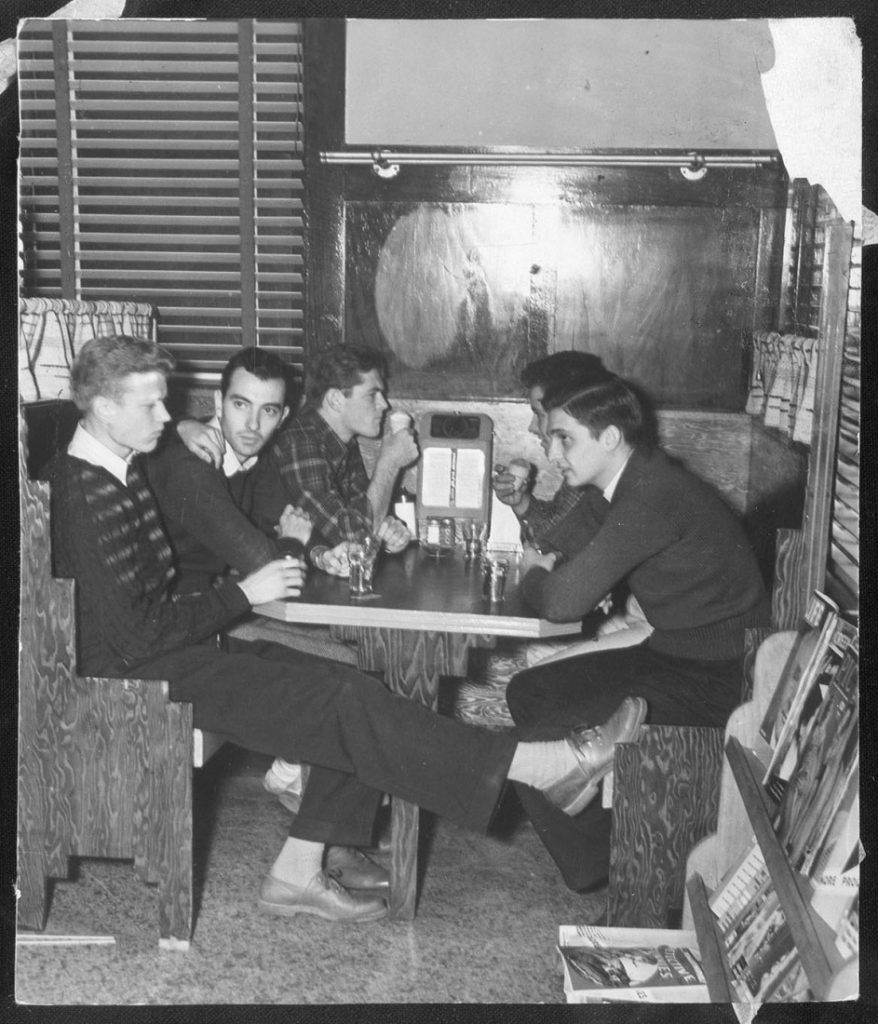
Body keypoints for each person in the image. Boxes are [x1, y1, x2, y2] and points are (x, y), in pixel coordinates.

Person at [47, 334, 644, 924]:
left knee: (351, 681)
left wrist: (181, 442)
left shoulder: (120, 467)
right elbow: (132, 636)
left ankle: (299, 869)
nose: (168, 414)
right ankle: (537, 766)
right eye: (151, 405)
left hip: (168, 652)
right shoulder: (84, 490)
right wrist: (241, 593)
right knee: (339, 702)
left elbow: (150, 607)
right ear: (102, 408)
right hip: (131, 678)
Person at [507, 374, 771, 893]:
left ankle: (612, 863)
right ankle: (603, 850)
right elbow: (560, 543)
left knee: (536, 741)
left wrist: (533, 574)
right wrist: (539, 552)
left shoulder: (650, 495)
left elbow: (562, 599)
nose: (553, 451)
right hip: (675, 654)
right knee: (529, 690)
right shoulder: (623, 483)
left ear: (608, 438)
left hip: (723, 679)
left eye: (564, 438)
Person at [146, 346, 389, 895]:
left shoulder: (260, 464)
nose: (252, 425)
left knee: (357, 677)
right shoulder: (183, 458)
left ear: (285, 415)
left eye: (269, 411)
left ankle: (325, 841)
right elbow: (271, 558)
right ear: (217, 402)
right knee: (347, 682)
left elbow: (287, 551)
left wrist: (303, 549)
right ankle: (314, 830)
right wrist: (291, 544)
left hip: (214, 624)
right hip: (183, 640)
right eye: (240, 405)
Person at [251, 342, 419, 553]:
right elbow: (352, 539)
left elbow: (363, 517)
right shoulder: (300, 442)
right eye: (372, 395)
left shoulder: (343, 440)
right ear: (335, 400)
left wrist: (389, 533)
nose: (384, 404)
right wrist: (390, 463)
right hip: (272, 573)